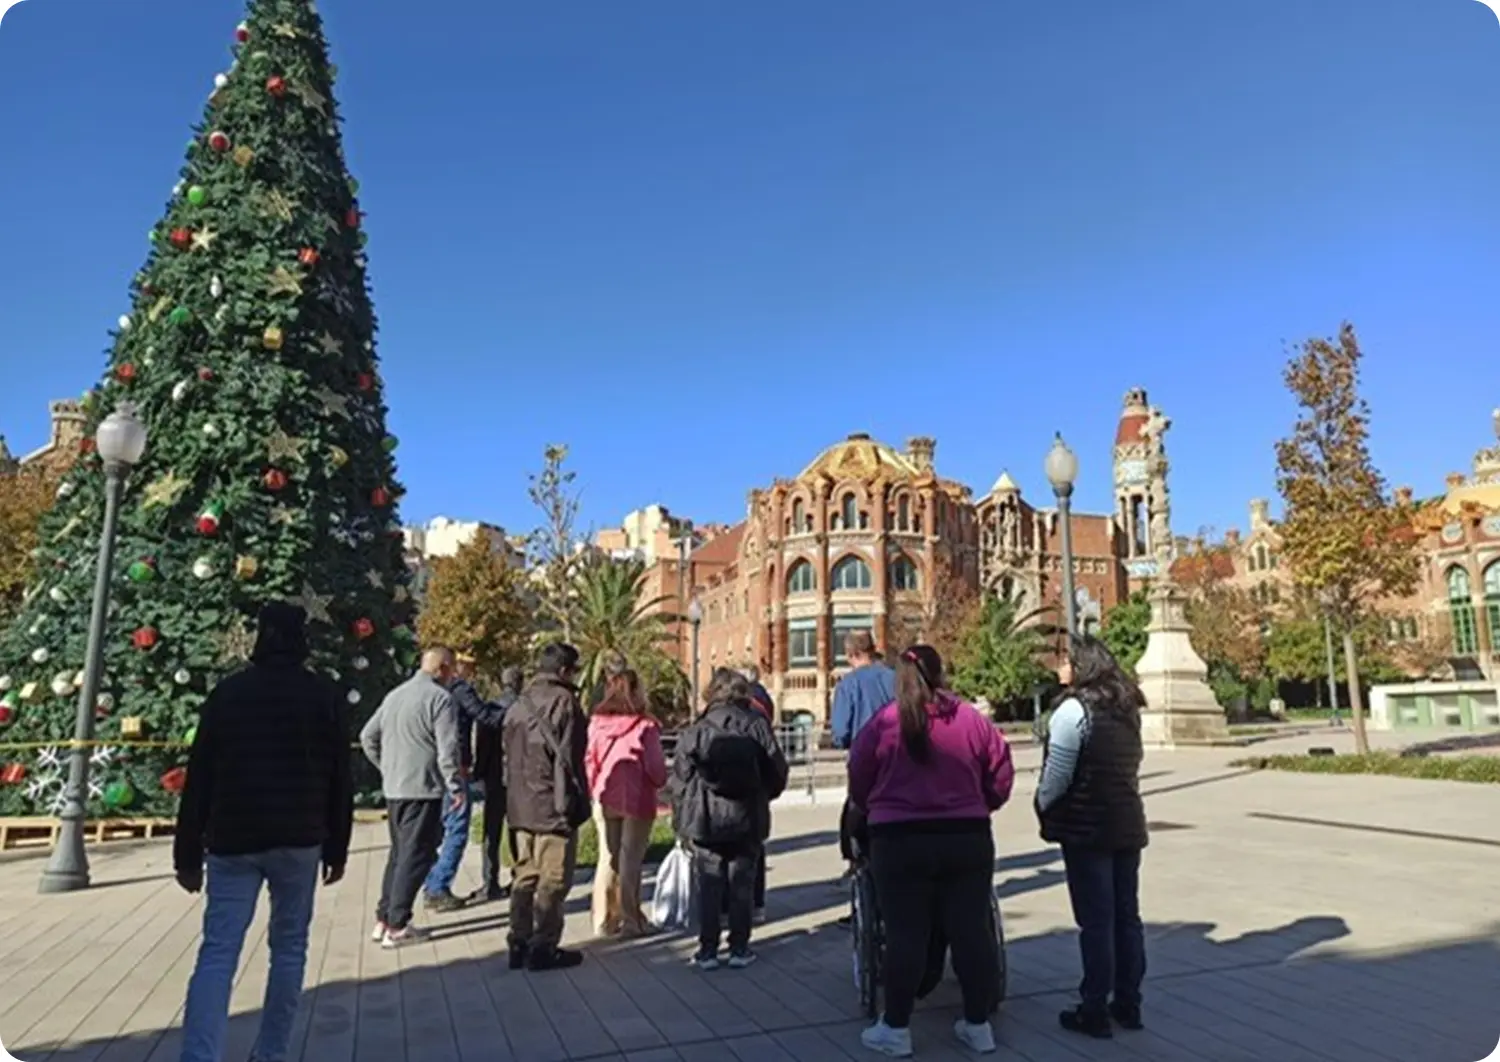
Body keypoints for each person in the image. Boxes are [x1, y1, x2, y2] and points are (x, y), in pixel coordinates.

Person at [174, 602, 353, 1062]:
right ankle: (271, 1053)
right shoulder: (323, 696)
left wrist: (188, 854)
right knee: (289, 949)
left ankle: (200, 1055)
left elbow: (200, 775)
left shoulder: (228, 694)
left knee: (217, 952)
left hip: (233, 837)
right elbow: (340, 776)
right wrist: (338, 846)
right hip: (300, 837)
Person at [848, 644, 1014, 1058]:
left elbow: (858, 779)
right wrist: (982, 803)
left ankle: (897, 1028)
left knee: (906, 934)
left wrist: (873, 809)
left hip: (899, 839)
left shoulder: (884, 725)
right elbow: (1001, 770)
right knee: (972, 930)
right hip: (965, 835)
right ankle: (978, 1025)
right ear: (940, 674)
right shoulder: (970, 720)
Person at [1036, 635, 1149, 1040]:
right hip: (1127, 822)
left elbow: (1058, 775)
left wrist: (1043, 806)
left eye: (1064, 659)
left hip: (1087, 828)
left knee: (1096, 921)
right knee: (1126, 916)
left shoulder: (1073, 711)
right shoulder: (1126, 708)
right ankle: (1129, 1001)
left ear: (1082, 665)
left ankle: (1094, 1007)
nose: (1058, 666)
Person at [672, 668, 789, 971]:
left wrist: (682, 819)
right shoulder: (757, 725)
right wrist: (763, 795)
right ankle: (740, 948)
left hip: (706, 819)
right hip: (747, 816)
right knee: (742, 883)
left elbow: (680, 780)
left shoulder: (697, 729)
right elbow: (778, 771)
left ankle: (707, 950)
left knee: (708, 884)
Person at [360, 647, 464, 948]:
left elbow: (368, 736)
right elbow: (447, 751)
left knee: (398, 855)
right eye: (452, 668)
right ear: (442, 668)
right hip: (423, 789)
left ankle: (384, 918)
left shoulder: (395, 695)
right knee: (416, 855)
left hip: (395, 788)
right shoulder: (440, 699)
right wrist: (455, 787)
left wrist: (387, 767)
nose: (454, 675)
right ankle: (398, 924)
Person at [504, 642, 591, 971]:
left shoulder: (518, 704)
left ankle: (518, 941)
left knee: (524, 876)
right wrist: (573, 804)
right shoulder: (565, 702)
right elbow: (571, 758)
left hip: (519, 805)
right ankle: (544, 946)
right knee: (553, 880)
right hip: (553, 806)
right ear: (565, 671)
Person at [585, 668, 668, 937]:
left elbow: (589, 760)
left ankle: (602, 919)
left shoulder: (597, 723)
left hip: (604, 795)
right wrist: (661, 782)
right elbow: (655, 767)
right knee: (630, 858)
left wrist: (595, 787)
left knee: (606, 858)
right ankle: (631, 919)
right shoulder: (645, 726)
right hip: (637, 797)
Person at [422, 652, 507, 912]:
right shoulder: (460, 690)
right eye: (469, 666)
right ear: (455, 667)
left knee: (434, 830)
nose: (472, 671)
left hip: (432, 768)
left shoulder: (432, 691)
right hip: (455, 767)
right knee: (457, 829)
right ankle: (437, 887)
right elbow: (484, 716)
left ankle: (431, 882)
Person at [831, 631, 896, 915]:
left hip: (864, 766)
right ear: (874, 648)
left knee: (859, 826)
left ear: (850, 655)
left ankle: (864, 899)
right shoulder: (894, 678)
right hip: (899, 764)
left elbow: (840, 733)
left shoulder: (848, 685)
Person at [472, 665, 525, 903]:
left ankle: (489, 881)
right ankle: (521, 877)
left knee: (491, 832)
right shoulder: (526, 708)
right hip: (519, 776)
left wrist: (479, 772)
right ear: (520, 683)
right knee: (519, 829)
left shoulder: (491, 709)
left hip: (495, 776)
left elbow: (482, 746)